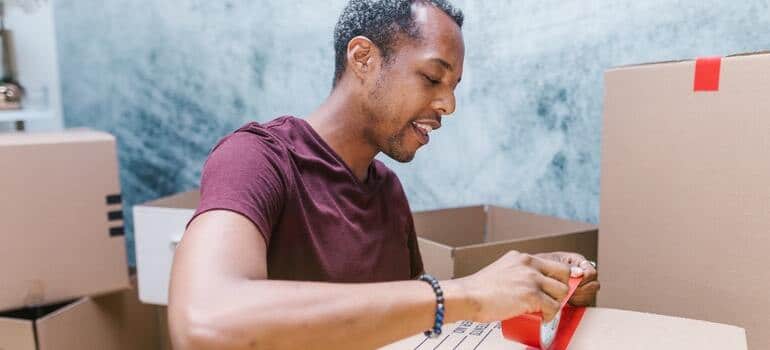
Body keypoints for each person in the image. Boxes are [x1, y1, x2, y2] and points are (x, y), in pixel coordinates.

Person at [168, 1, 599, 349]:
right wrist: (468, 294)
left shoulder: (387, 190)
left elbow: (409, 313)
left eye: (453, 87)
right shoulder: (257, 158)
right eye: (433, 77)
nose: (448, 105)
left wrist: (520, 285)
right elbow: (206, 320)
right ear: (363, 58)